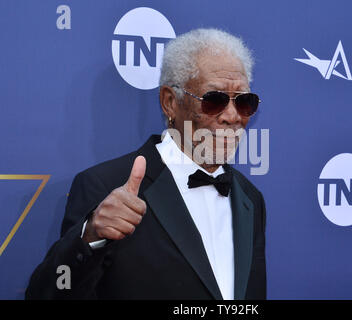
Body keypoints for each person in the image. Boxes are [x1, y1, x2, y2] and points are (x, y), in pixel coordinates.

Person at [25, 28, 266, 300]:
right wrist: (90, 237)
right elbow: (48, 295)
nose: (232, 117)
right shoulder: (105, 186)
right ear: (170, 102)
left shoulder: (250, 199)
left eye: (245, 101)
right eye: (214, 100)